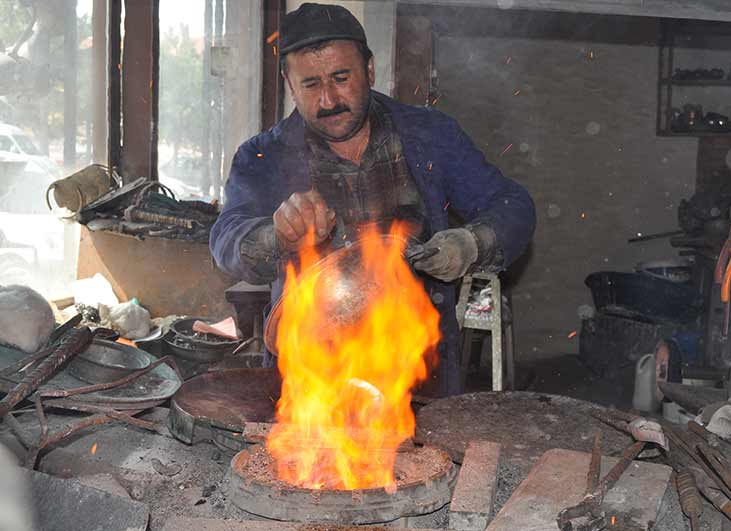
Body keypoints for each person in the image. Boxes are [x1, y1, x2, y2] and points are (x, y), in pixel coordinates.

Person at [210, 2, 535, 397]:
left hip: (418, 372)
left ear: (369, 70)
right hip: (309, 380)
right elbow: (224, 241)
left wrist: (471, 244)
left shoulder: (431, 136)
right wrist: (273, 236)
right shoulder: (262, 157)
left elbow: (513, 205)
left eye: (341, 77)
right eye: (310, 85)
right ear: (290, 85)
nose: (328, 99)